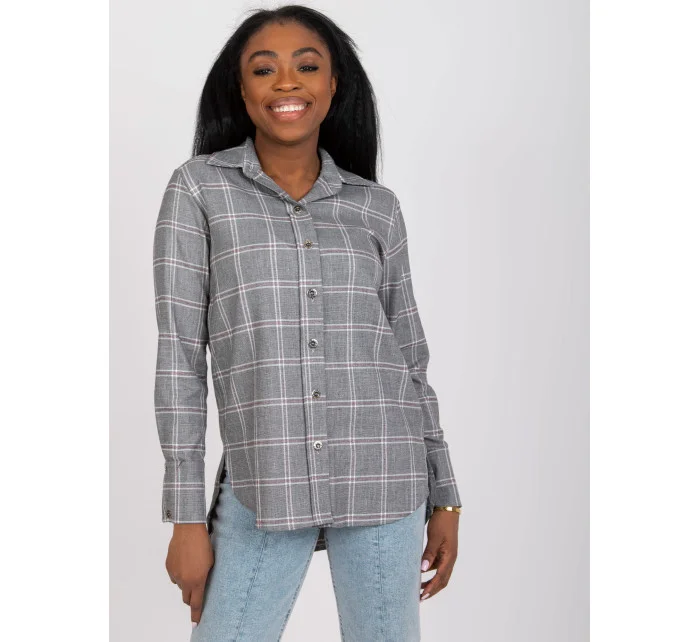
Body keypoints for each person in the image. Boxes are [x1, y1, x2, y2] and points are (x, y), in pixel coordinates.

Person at [152, 5, 462, 640]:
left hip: (385, 475)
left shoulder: (377, 208)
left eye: (307, 66)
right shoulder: (199, 191)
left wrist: (445, 494)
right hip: (266, 483)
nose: (287, 82)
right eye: (264, 69)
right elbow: (180, 359)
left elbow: (409, 359)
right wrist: (185, 518)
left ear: (333, 85)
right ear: (242, 90)